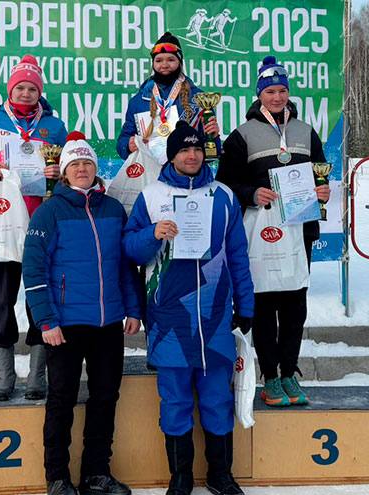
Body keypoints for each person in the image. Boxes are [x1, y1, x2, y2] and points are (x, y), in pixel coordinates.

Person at [123, 121, 255, 495]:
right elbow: (130, 248)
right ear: (173, 155)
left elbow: (239, 258)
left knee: (217, 398)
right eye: (184, 150)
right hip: (168, 320)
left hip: (214, 318)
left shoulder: (224, 195)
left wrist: (245, 306)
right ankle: (180, 476)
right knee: (176, 400)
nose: (191, 155)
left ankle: (220, 474)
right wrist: (153, 234)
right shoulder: (151, 196)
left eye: (196, 149)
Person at [23, 132, 143, 495]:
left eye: (87, 163)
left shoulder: (112, 209)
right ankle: (57, 477)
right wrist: (46, 320)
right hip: (65, 325)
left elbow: (124, 265)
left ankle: (96, 473)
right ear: (64, 172)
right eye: (74, 164)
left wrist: (133, 308)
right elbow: (34, 269)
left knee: (105, 398)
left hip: (108, 323)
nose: (81, 169)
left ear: (95, 169)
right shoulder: (50, 211)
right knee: (61, 399)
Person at [216, 56, 330, 407]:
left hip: (299, 228)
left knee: (295, 304)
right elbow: (224, 182)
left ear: (288, 92)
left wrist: (322, 190)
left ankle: (288, 372)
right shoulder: (242, 135)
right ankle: (269, 375)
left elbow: (320, 171)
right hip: (260, 231)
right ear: (259, 95)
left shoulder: (305, 131)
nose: (277, 97)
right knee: (264, 303)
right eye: (270, 92)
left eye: (282, 90)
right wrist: (250, 193)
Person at [0, 55, 67, 402]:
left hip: (40, 223)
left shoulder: (54, 126)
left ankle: (37, 375)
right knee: (0, 300)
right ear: (10, 89)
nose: (25, 93)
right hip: (2, 222)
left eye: (32, 88)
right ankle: (5, 377)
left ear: (39, 92)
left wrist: (57, 174)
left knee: (39, 298)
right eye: (20, 87)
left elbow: (70, 167)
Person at [116, 31, 220, 164]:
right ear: (153, 64)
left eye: (171, 60)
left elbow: (211, 151)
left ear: (180, 62)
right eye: (158, 60)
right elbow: (122, 141)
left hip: (188, 173)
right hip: (151, 173)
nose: (164, 65)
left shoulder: (198, 99)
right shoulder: (139, 100)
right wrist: (127, 145)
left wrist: (214, 137)